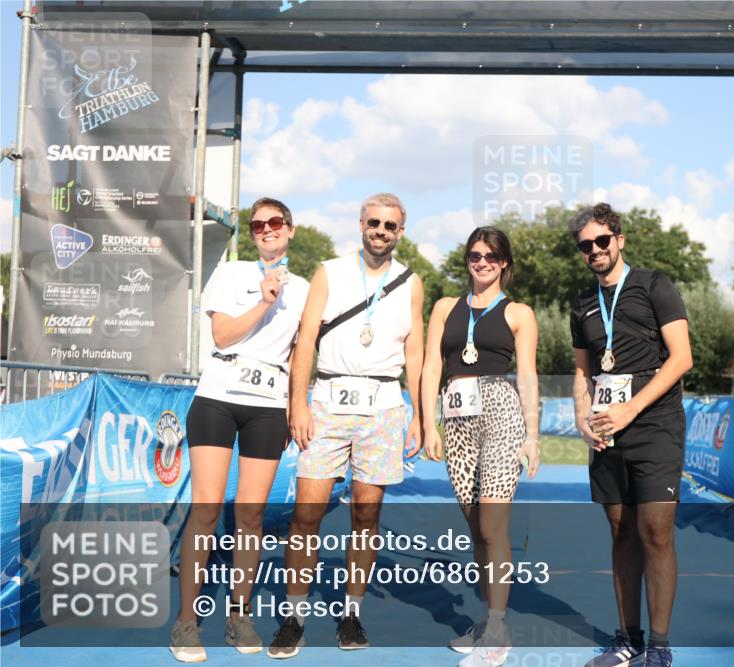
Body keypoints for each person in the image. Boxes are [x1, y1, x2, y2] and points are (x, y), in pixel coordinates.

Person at [268, 193, 424, 658]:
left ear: (401, 231)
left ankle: (351, 613)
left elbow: (414, 350)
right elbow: (306, 339)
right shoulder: (330, 271)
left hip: (383, 407)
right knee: (306, 515)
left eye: (390, 226)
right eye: (374, 222)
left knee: (366, 515)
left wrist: (418, 412)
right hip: (329, 402)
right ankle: (294, 617)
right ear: (360, 224)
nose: (381, 231)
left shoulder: (410, 281)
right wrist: (298, 403)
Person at [171, 197, 309, 663]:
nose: (266, 229)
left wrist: (297, 405)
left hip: (268, 404)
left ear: (290, 229)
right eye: (257, 225)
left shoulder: (308, 289)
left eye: (275, 223)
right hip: (218, 396)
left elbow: (300, 353)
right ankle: (186, 623)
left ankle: (239, 615)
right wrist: (263, 302)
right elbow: (223, 336)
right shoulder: (231, 274)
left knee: (250, 517)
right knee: (206, 510)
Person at [569, 203, 692, 667]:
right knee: (621, 532)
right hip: (606, 429)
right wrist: (584, 417)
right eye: (586, 245)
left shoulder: (654, 285)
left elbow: (681, 358)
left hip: (655, 424)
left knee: (655, 531)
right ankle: (628, 638)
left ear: (619, 240)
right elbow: (582, 372)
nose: (595, 250)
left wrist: (632, 408)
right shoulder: (581, 304)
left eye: (603, 241)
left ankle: (659, 646)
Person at [421, 226, 541, 667]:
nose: (483, 262)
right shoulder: (444, 308)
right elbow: (432, 365)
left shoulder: (519, 313)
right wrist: (427, 421)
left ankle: (497, 627)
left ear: (504, 262)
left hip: (500, 413)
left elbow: (527, 374)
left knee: (492, 526)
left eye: (492, 255)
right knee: (475, 528)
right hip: (456, 418)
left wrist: (533, 434)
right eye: (475, 255)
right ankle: (489, 619)